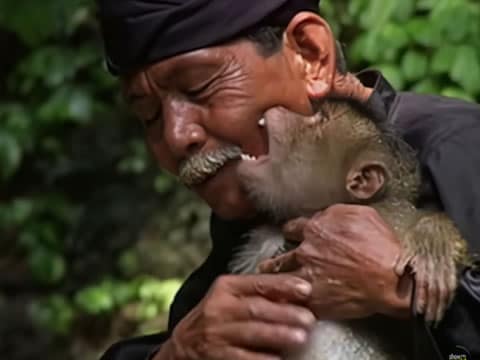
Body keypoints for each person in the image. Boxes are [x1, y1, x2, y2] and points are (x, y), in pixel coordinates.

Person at [96, 0, 480, 359]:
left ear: (310, 54)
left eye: (199, 87)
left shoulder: (458, 150)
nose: (175, 137)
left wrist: (410, 292)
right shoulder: (263, 199)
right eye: (149, 116)